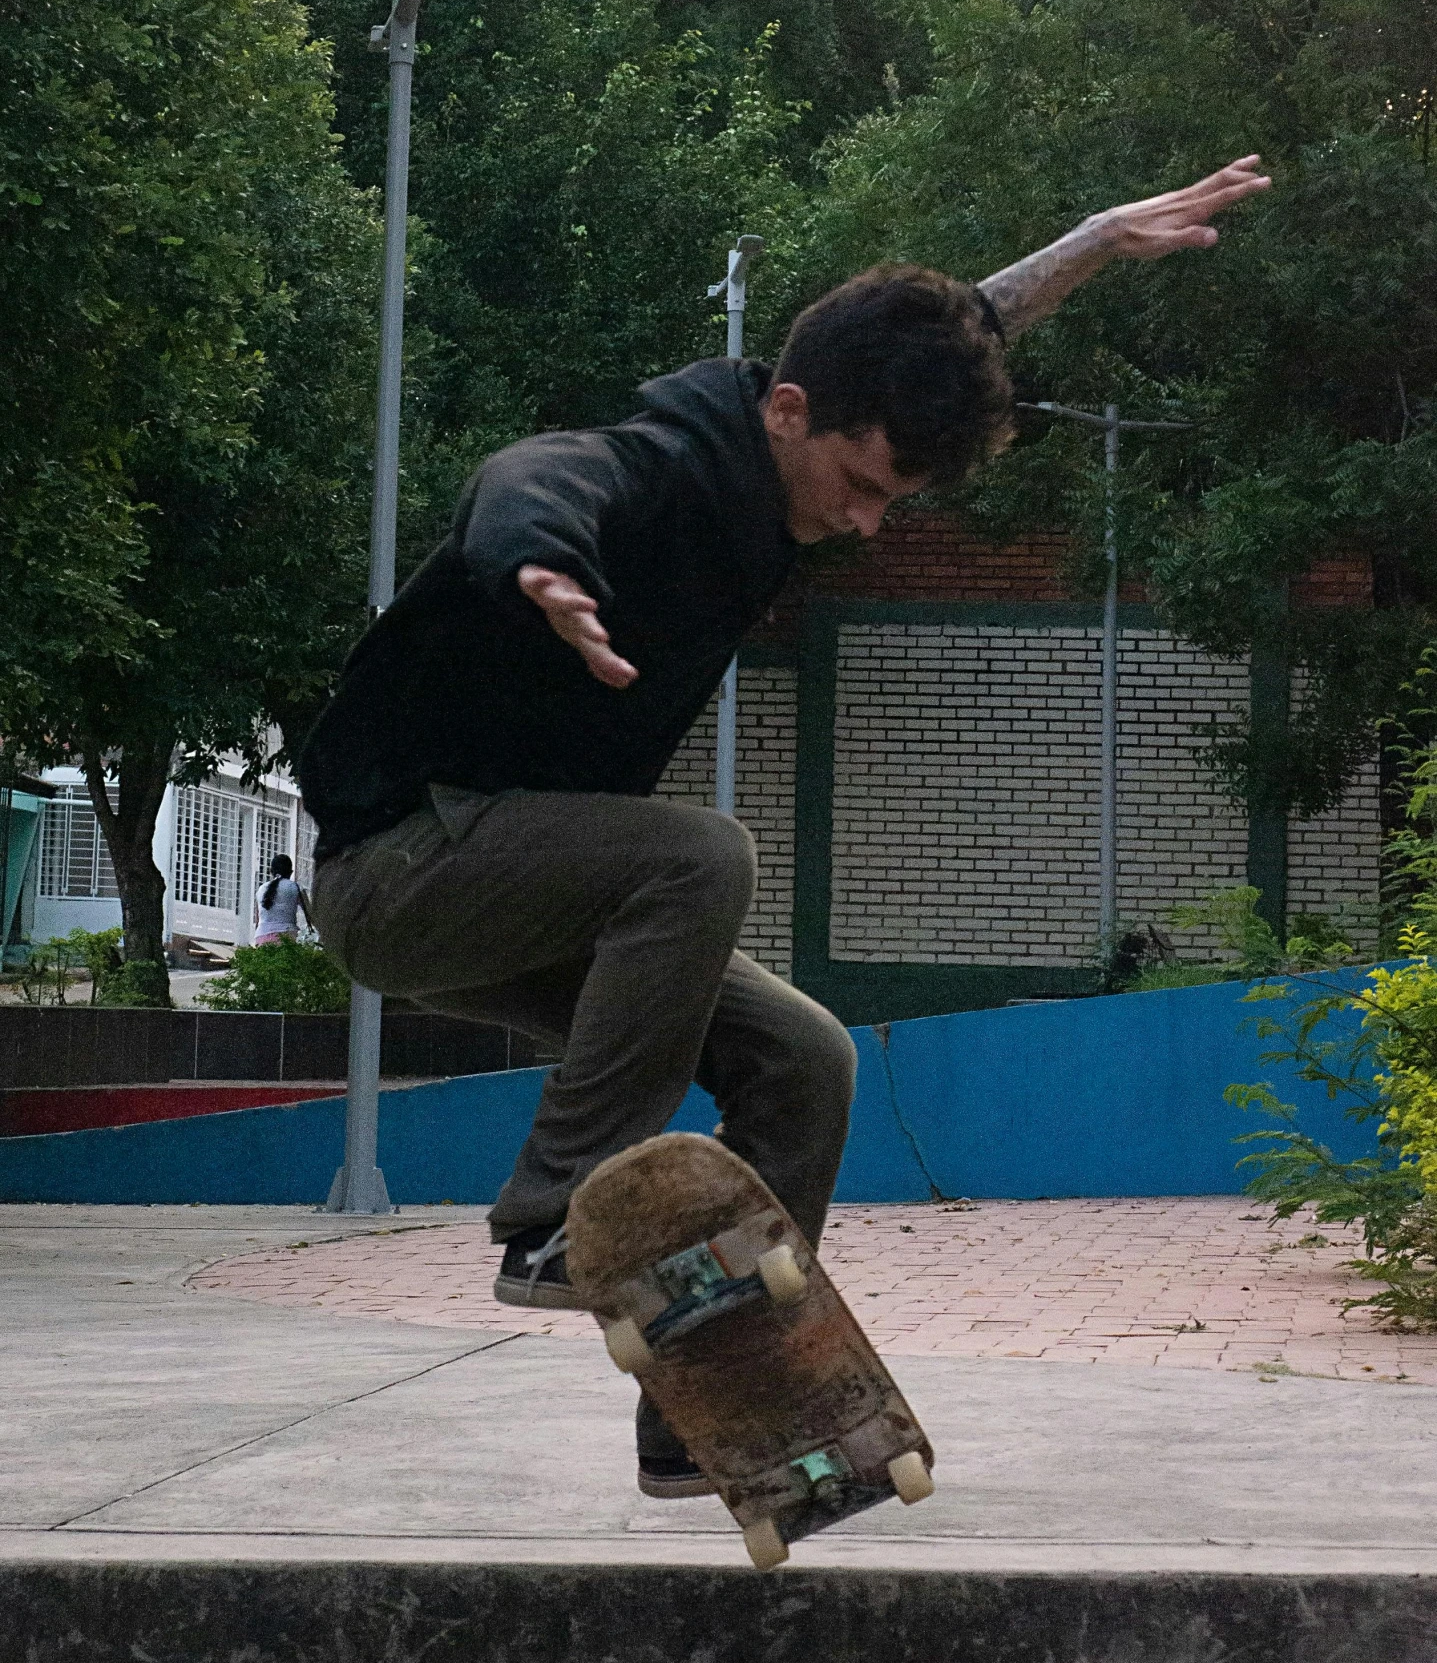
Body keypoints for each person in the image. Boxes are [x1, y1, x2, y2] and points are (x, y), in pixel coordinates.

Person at [301, 158, 1268, 1497]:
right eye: (862, 486)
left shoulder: (814, 418)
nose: (866, 524)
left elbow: (956, 322)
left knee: (805, 1060)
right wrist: (540, 567)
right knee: (700, 854)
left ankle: (706, 1418)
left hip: (508, 895)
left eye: (894, 504)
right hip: (399, 863)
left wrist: (1093, 241)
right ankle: (549, 1226)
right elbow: (534, 474)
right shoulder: (661, 465)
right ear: (789, 409)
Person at [253, 854, 314, 946]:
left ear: (271, 871)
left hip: (262, 937)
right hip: (288, 936)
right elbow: (310, 915)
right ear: (291, 872)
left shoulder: (261, 889)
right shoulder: (296, 888)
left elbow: (258, 919)